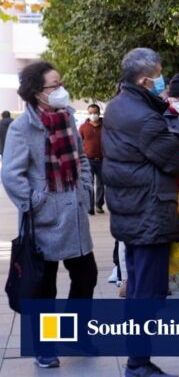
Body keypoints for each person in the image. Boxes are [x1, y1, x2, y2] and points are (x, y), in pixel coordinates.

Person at [1, 61, 97, 369]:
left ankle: (76, 334)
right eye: (54, 85)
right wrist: (35, 202)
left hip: (74, 211)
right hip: (44, 218)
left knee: (87, 275)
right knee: (45, 286)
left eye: (60, 83)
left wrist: (83, 190)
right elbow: (11, 173)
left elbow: (80, 156)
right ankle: (45, 346)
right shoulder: (22, 127)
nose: (60, 90)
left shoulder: (67, 117)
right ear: (37, 92)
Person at [102, 48, 179, 377]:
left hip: (131, 210)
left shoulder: (118, 106)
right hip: (149, 211)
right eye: (160, 74)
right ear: (145, 79)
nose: (163, 81)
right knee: (147, 292)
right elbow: (174, 159)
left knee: (138, 287)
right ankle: (137, 363)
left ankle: (138, 360)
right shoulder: (144, 117)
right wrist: (176, 140)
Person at [79, 103, 105, 215]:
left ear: (99, 113)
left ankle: (99, 205)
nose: (93, 115)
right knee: (89, 184)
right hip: (88, 160)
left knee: (100, 184)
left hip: (102, 159)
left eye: (95, 113)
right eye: (91, 113)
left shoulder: (105, 127)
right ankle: (90, 207)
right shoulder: (83, 127)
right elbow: (79, 142)